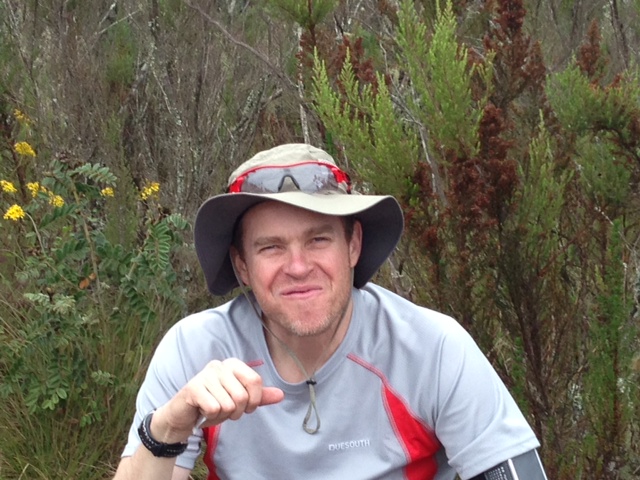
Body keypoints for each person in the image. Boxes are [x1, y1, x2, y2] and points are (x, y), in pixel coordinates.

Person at [113, 143, 548, 480]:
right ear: (241, 264)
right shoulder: (195, 350)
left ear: (353, 245)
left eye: (318, 239)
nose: (298, 266)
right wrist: (168, 428)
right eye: (271, 247)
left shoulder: (431, 348)